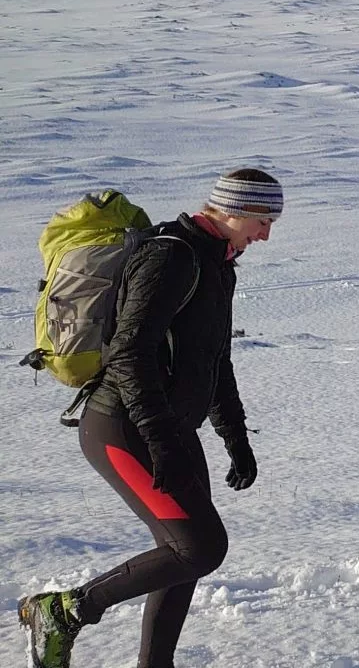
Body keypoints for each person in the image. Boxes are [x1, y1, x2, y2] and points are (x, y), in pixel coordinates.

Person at [18, 169, 283, 668]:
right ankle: (66, 610)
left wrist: (235, 437)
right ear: (229, 209)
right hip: (122, 427)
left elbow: (214, 360)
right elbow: (129, 353)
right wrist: (159, 439)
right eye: (261, 220)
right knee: (200, 547)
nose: (265, 234)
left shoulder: (218, 263)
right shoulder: (172, 256)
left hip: (169, 426)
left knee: (183, 555)